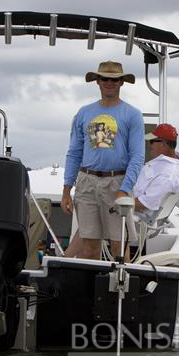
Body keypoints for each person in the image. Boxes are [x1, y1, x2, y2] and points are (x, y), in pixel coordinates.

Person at [61, 60, 144, 261]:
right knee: (89, 245)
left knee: (118, 243)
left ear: (122, 83)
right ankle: (90, 290)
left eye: (114, 79)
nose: (109, 82)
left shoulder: (133, 114)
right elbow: (74, 152)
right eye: (104, 78)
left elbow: (137, 156)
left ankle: (119, 291)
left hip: (117, 182)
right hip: (86, 182)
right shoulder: (83, 113)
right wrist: (66, 189)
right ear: (97, 81)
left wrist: (124, 189)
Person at [65, 123, 179, 258]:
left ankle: (65, 259)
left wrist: (115, 201)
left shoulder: (168, 175)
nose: (149, 145)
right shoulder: (165, 164)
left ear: (163, 144)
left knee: (92, 216)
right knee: (91, 213)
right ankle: (71, 260)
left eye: (152, 141)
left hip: (135, 214)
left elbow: (146, 204)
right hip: (128, 203)